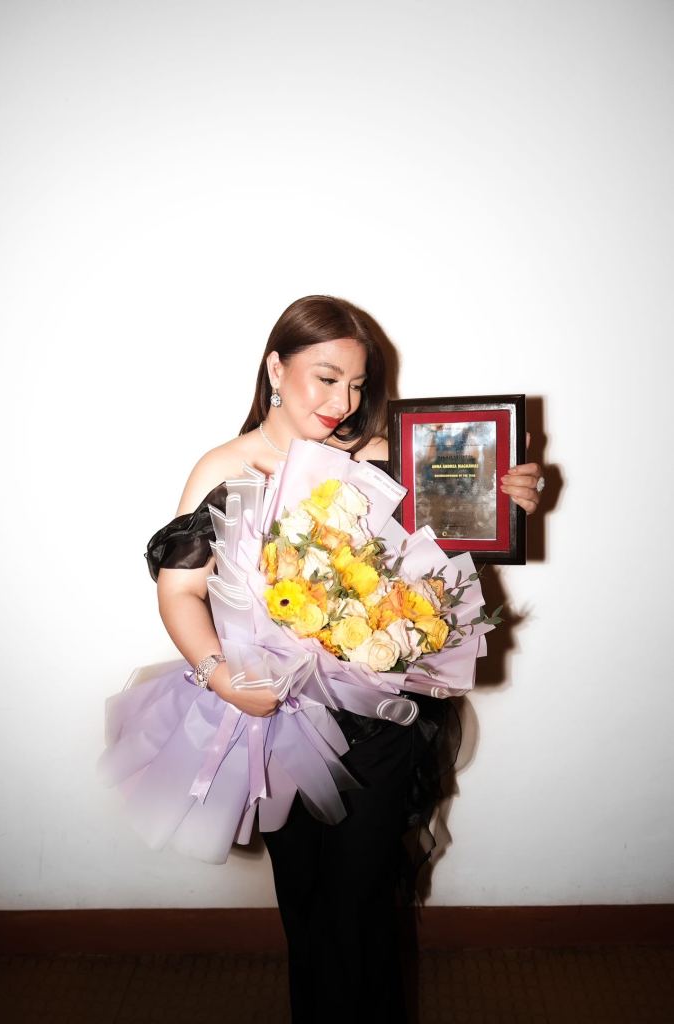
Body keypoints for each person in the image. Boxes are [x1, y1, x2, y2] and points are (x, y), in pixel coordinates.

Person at [146, 295, 543, 1023]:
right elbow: (179, 591)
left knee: (362, 904)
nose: (343, 402)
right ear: (276, 368)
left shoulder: (386, 455)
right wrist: (222, 678)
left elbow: (448, 557)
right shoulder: (227, 467)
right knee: (305, 904)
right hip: (276, 724)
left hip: (380, 720)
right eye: (326, 379)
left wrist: (506, 500)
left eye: (357, 385)